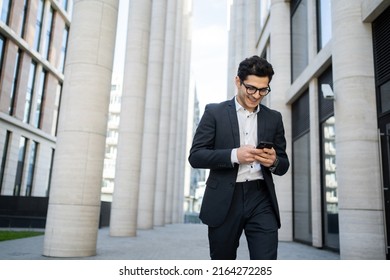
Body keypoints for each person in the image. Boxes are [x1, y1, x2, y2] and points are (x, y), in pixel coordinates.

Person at [188, 55, 289, 260]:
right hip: (225, 198)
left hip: (261, 197)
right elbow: (196, 156)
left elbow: (283, 164)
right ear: (238, 82)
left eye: (263, 89)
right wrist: (235, 155)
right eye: (251, 88)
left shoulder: (274, 118)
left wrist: (273, 161)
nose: (256, 95)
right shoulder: (214, 112)